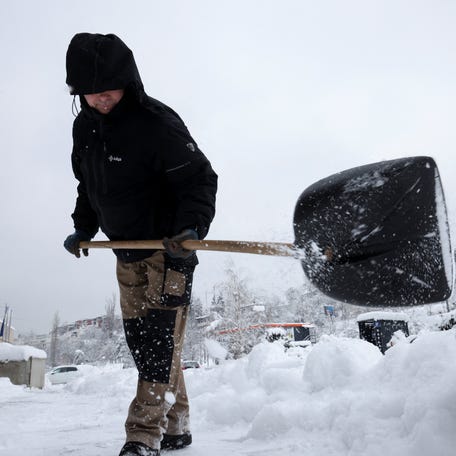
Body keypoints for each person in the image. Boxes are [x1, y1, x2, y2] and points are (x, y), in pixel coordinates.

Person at [63, 33, 217, 456]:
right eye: (90, 92)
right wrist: (83, 227)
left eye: (108, 89)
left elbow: (200, 180)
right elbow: (88, 185)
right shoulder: (85, 126)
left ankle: (142, 436)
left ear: (127, 81)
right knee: (147, 342)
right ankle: (178, 426)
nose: (101, 98)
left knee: (156, 345)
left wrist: (190, 229)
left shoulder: (156, 123)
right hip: (125, 253)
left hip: (169, 253)